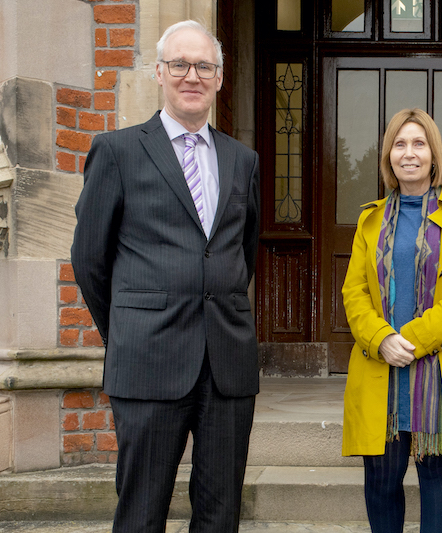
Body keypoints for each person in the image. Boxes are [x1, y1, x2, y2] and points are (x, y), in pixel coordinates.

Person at [71, 20, 260, 533]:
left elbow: (243, 255)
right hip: (148, 360)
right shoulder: (117, 151)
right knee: (141, 511)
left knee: (221, 512)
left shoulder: (243, 161)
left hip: (227, 365)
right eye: (180, 64)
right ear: (159, 72)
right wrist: (129, 332)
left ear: (219, 77)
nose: (191, 75)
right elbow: (89, 260)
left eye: (204, 66)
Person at [341, 108, 442, 533]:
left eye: (419, 144)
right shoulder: (370, 219)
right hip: (382, 368)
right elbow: (354, 292)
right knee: (382, 480)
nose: (409, 153)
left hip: (439, 366)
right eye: (400, 144)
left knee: (437, 476)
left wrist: (409, 338)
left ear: (434, 154)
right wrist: (380, 338)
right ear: (388, 154)